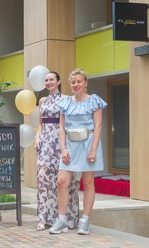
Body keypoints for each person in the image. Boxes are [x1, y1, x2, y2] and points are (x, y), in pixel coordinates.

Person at [49, 68, 107, 235]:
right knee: (62, 181)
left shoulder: (94, 101)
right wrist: (63, 149)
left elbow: (98, 127)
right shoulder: (65, 102)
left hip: (88, 144)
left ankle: (85, 220)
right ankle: (61, 220)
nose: (76, 85)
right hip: (70, 145)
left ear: (85, 83)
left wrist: (93, 150)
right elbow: (61, 128)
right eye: (73, 82)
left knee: (88, 183)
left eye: (79, 81)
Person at [34, 71, 79, 231]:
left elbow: (69, 122)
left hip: (61, 142)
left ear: (58, 82)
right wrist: (37, 136)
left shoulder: (67, 99)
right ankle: (43, 218)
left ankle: (65, 218)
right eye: (46, 80)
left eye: (51, 79)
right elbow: (40, 123)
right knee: (44, 179)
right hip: (45, 142)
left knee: (62, 180)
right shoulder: (42, 101)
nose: (48, 82)